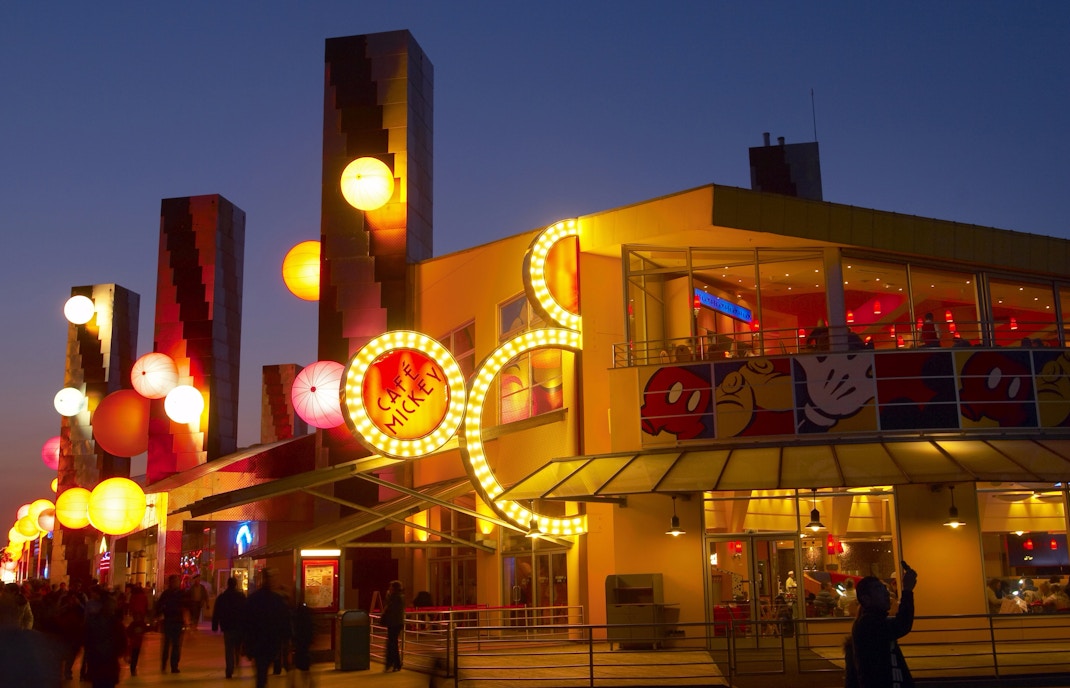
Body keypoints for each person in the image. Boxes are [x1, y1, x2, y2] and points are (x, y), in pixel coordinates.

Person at [850, 561, 918, 688]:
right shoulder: (869, 623)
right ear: (866, 598)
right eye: (879, 589)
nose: (886, 593)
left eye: (884, 588)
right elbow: (902, 625)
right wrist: (907, 590)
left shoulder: (871, 621)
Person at [244, 569, 292, 688]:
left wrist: (246, 643)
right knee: (263, 669)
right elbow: (284, 621)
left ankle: (261, 682)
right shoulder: (276, 600)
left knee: (261, 670)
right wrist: (287, 639)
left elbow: (246, 622)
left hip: (258, 642)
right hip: (271, 641)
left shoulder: (254, 599)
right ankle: (262, 682)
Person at [82, 586, 126, 688]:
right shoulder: (116, 623)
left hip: (96, 661)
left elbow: (86, 639)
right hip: (108, 662)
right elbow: (121, 642)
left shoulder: (93, 621)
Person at [212, 576, 247, 679]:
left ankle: (229, 669)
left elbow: (217, 611)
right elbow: (246, 611)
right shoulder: (241, 597)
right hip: (239, 626)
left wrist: (215, 625)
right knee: (237, 646)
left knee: (229, 648)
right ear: (236, 584)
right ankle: (237, 662)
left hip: (227, 626)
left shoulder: (222, 597)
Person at [156, 574, 186, 673]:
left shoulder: (181, 593)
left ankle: (173, 665)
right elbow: (159, 606)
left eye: (177, 581)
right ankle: (165, 664)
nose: (176, 583)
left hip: (177, 622)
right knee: (168, 644)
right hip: (170, 621)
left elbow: (186, 606)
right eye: (175, 581)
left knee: (175, 645)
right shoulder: (167, 594)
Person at [125, 583, 149, 676]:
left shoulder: (133, 597)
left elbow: (130, 606)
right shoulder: (143, 597)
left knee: (132, 641)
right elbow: (146, 606)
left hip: (134, 621)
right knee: (137, 644)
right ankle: (133, 666)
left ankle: (131, 660)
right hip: (140, 621)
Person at [381, 580, 405, 672]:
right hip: (397, 623)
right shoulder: (400, 596)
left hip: (393, 623)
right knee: (393, 643)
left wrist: (388, 596)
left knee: (392, 644)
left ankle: (395, 663)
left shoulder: (395, 597)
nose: (389, 589)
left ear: (394, 588)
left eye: (391, 587)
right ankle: (394, 663)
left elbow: (390, 608)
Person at [290, 601, 315, 688]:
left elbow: (293, 631)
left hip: (299, 644)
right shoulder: (308, 618)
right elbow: (311, 631)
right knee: (305, 666)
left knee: (297, 665)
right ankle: (308, 682)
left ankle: (294, 683)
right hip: (305, 644)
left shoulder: (296, 618)